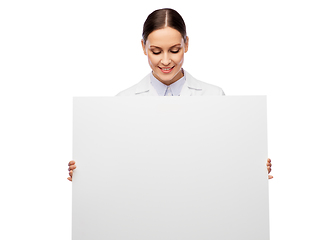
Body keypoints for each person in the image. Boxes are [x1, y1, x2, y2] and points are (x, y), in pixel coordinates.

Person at [67, 8, 273, 181]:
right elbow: (114, 165)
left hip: (201, 206)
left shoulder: (214, 96)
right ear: (143, 47)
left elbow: (227, 159)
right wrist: (85, 173)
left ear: (187, 45)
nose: (165, 61)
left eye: (174, 50)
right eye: (156, 51)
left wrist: (253, 168)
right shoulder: (123, 102)